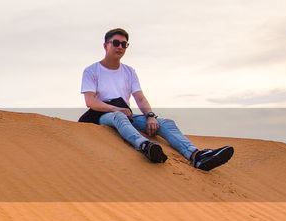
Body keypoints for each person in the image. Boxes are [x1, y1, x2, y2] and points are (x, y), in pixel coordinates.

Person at [79, 28, 234, 170]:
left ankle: (196, 156)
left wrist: (150, 116)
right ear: (106, 45)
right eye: (116, 43)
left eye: (124, 44)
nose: (120, 47)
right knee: (119, 116)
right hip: (103, 115)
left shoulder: (129, 72)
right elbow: (90, 101)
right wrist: (116, 109)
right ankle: (145, 146)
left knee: (165, 123)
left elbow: (140, 98)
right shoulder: (92, 71)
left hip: (126, 114)